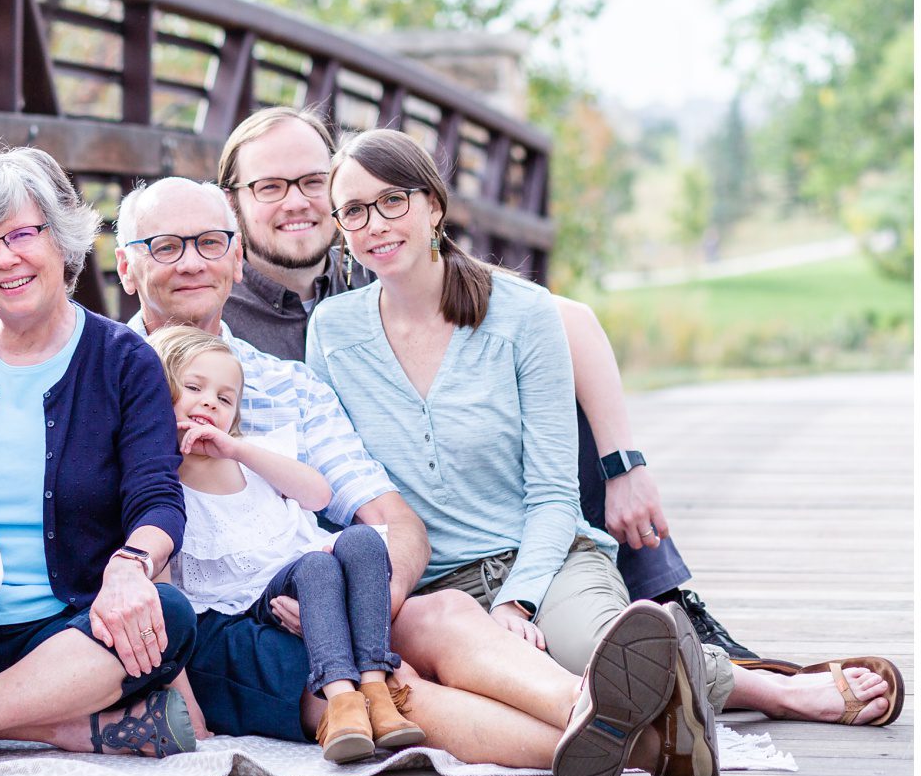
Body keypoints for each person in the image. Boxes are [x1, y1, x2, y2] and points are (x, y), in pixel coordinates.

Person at [308, 128, 897, 776]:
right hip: (432, 587)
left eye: (393, 201)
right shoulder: (331, 332)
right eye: (353, 211)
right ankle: (660, 731)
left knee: (602, 651)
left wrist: (518, 602)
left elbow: (555, 494)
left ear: (434, 207)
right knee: (546, 678)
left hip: (544, 559)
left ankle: (778, 691)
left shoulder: (523, 316)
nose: (374, 224)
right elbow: (340, 477)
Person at [112, 174, 711, 776]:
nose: (191, 262)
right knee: (396, 689)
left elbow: (392, 521)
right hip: (231, 625)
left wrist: (358, 613)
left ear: (237, 261)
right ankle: (649, 745)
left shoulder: (287, 384)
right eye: (164, 246)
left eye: (211, 243)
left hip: (321, 590)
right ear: (125, 267)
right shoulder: (102, 387)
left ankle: (596, 710)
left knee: (443, 612)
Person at [215, 104, 771, 663]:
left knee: (526, 390)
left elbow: (562, 320)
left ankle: (662, 606)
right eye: (269, 186)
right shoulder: (224, 321)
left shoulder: (369, 268)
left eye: (312, 181)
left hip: (531, 533)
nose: (296, 201)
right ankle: (668, 659)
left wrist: (624, 464)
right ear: (232, 202)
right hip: (398, 559)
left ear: (431, 205)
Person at [0, 146, 200, 759]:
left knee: (167, 616)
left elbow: (158, 497)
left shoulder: (124, 362)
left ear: (64, 238)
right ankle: (64, 726)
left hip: (67, 628)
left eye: (23, 233)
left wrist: (130, 569)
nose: (5, 257)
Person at [148, 325, 422, 763]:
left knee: (363, 540)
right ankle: (342, 702)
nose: (209, 403)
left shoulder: (248, 459)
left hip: (302, 581)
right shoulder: (161, 485)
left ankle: (375, 685)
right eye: (193, 388)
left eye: (225, 398)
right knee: (316, 566)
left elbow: (319, 495)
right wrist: (186, 703)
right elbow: (162, 600)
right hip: (247, 610)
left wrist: (237, 450)